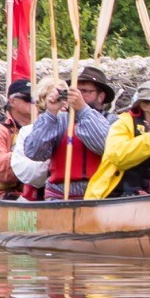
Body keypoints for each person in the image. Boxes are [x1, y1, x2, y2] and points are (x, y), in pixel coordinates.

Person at [23, 65, 117, 199]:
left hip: (102, 197)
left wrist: (83, 109)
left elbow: (106, 147)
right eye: (75, 91)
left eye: (85, 91)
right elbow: (34, 153)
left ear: (101, 97)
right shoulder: (59, 120)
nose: (78, 95)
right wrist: (50, 113)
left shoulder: (114, 122)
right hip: (59, 197)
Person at [0, 79, 34, 199]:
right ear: (12, 101)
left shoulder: (44, 127)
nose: (34, 102)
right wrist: (26, 153)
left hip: (40, 191)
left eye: (38, 98)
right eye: (29, 98)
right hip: (11, 193)